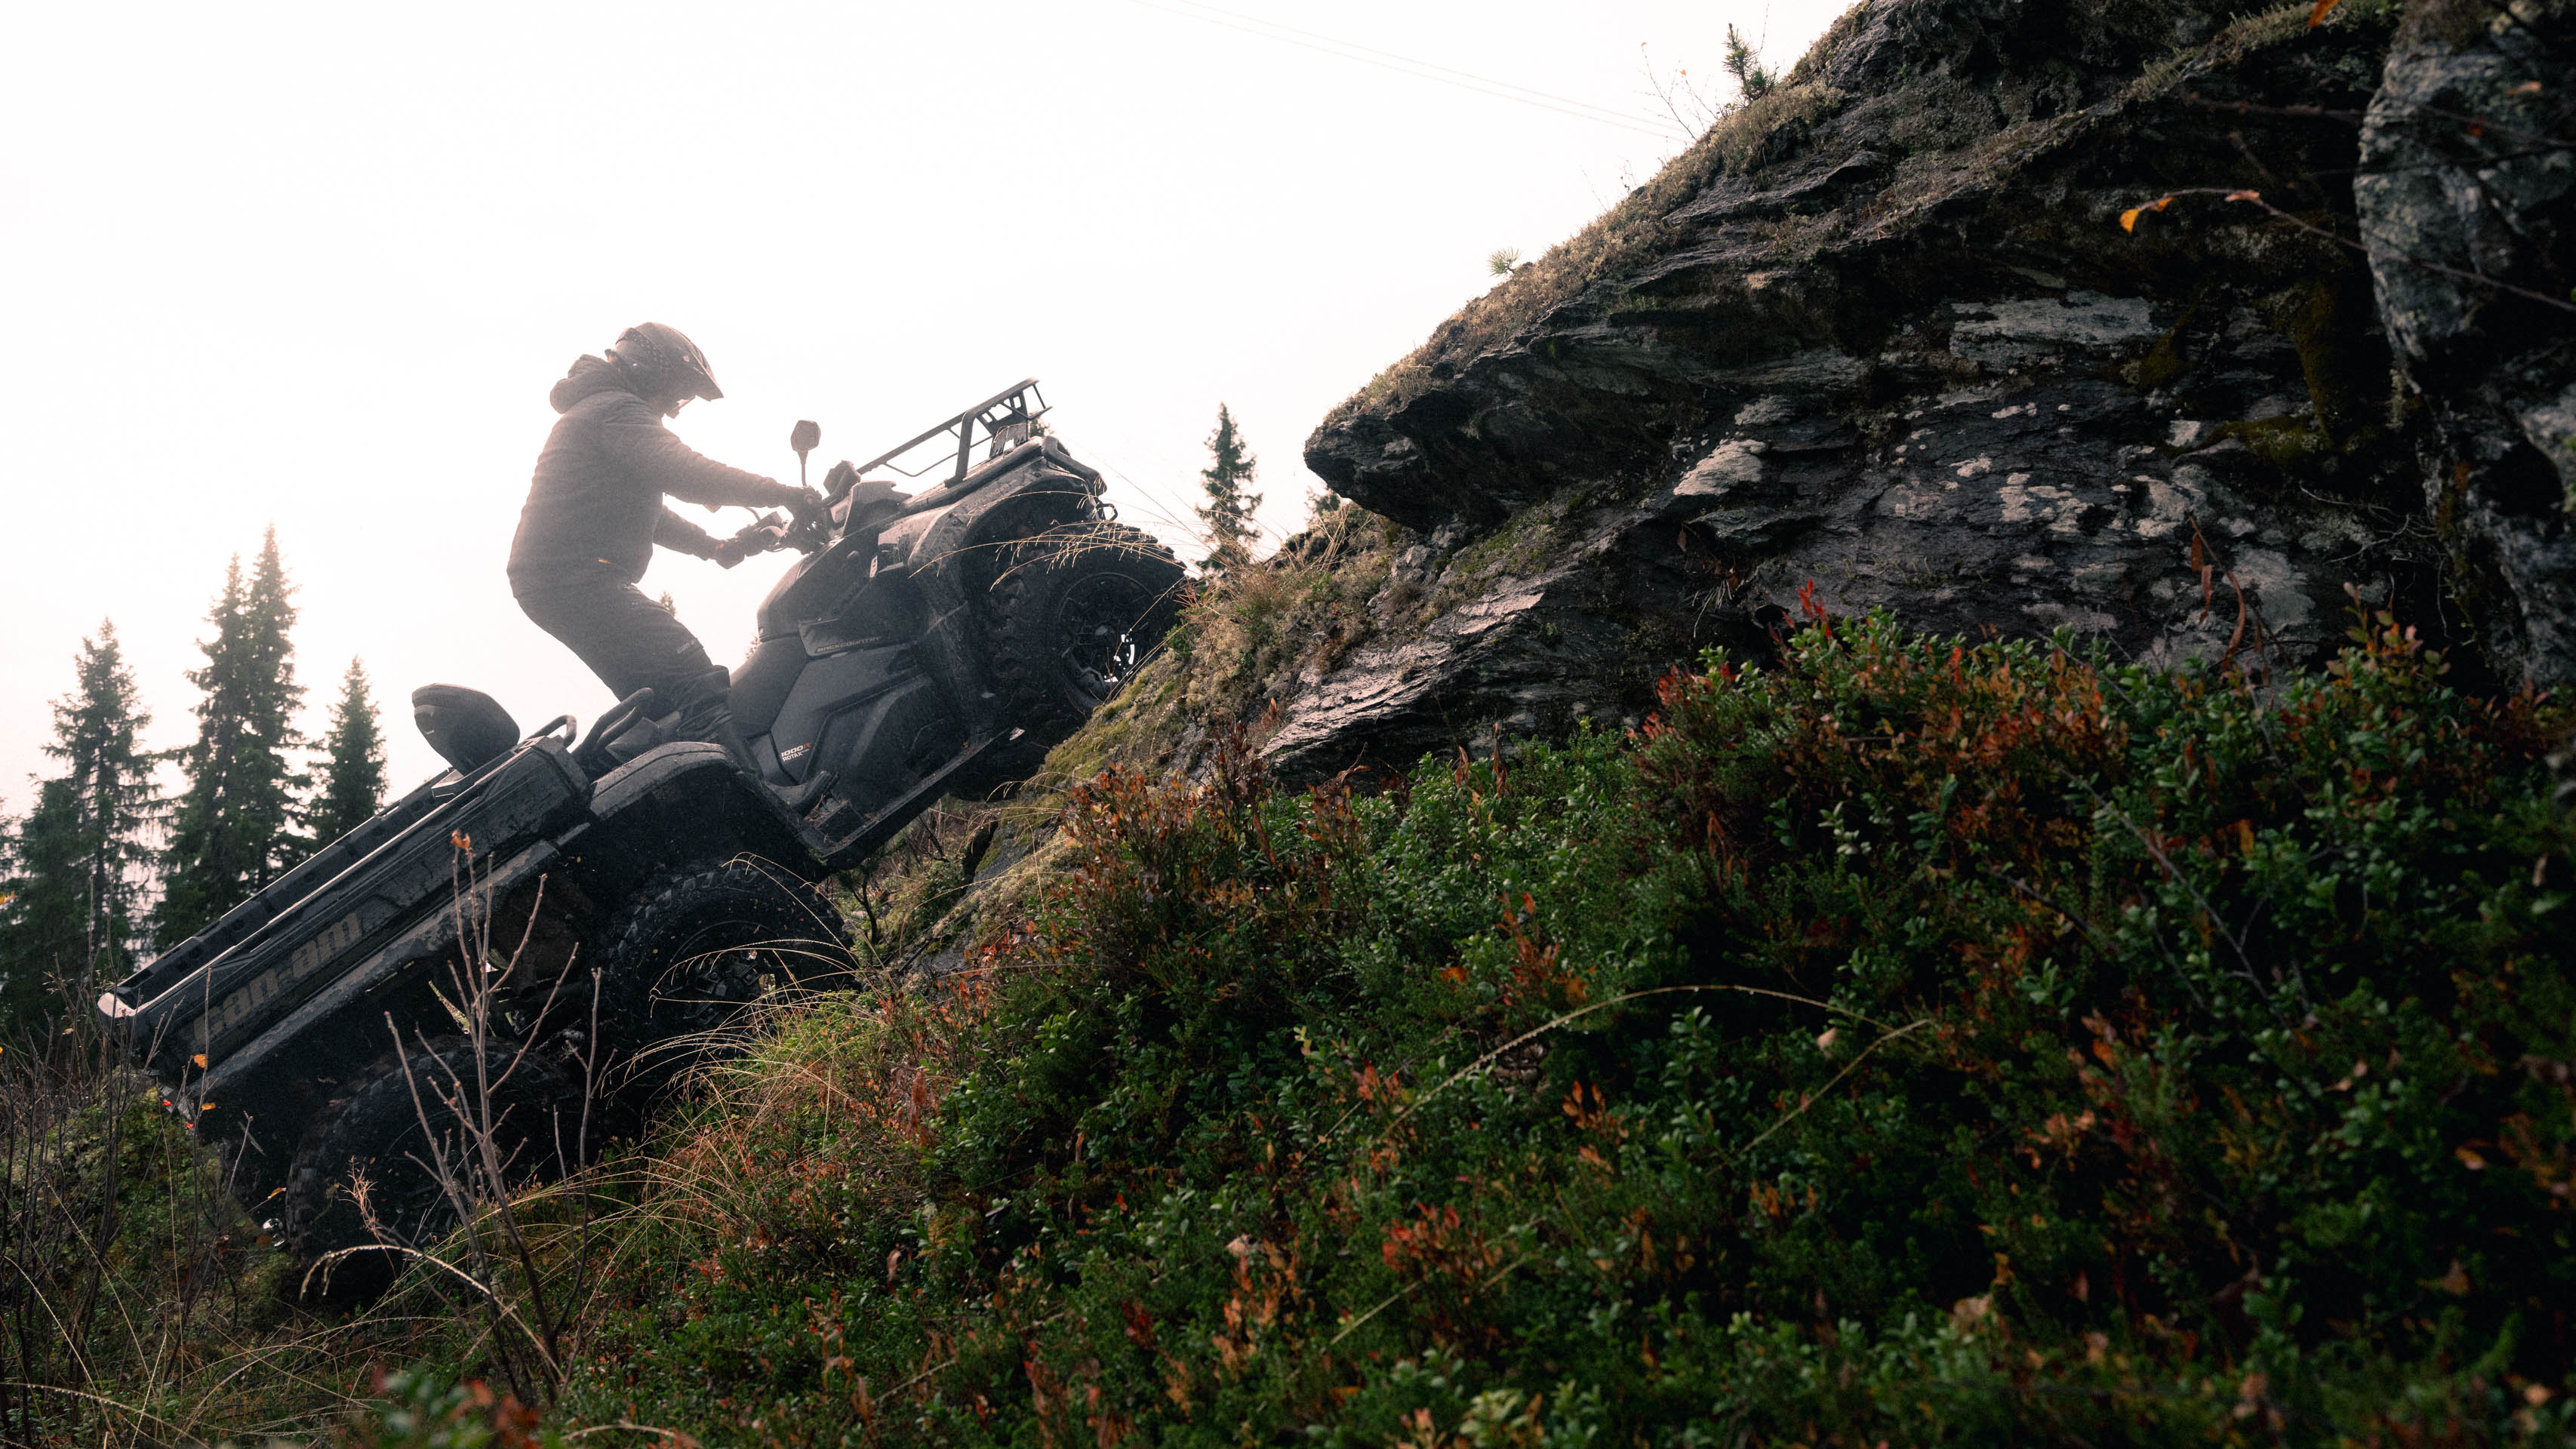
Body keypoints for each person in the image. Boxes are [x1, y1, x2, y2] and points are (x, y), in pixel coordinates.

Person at [508, 322, 819, 774]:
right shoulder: (614, 408)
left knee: (657, 706)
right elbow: (685, 472)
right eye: (678, 395)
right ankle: (763, 799)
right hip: (574, 578)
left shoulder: (598, 411)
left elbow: (645, 513)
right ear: (650, 374)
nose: (676, 409)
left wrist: (715, 547)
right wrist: (784, 492)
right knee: (693, 673)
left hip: (556, 581)